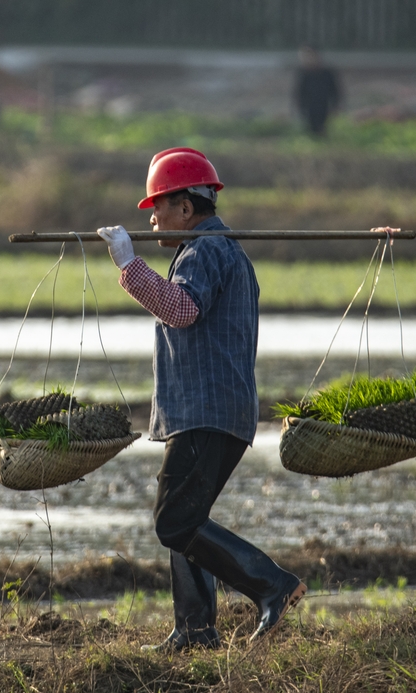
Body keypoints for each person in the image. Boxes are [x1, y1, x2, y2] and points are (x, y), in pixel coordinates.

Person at [96, 148, 306, 651]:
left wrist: (129, 265)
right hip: (212, 410)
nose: (151, 218)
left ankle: (270, 584)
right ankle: (194, 630)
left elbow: (181, 309)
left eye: (158, 207)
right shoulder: (219, 249)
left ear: (186, 209)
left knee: (176, 520)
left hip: (207, 411)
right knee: (187, 521)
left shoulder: (205, 252)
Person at [294, 46, 341, 137]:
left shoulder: (327, 73)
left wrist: (335, 106)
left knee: (324, 130)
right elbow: (299, 93)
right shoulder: (303, 74)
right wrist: (300, 108)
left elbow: (335, 91)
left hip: (324, 107)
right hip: (309, 109)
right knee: (310, 131)